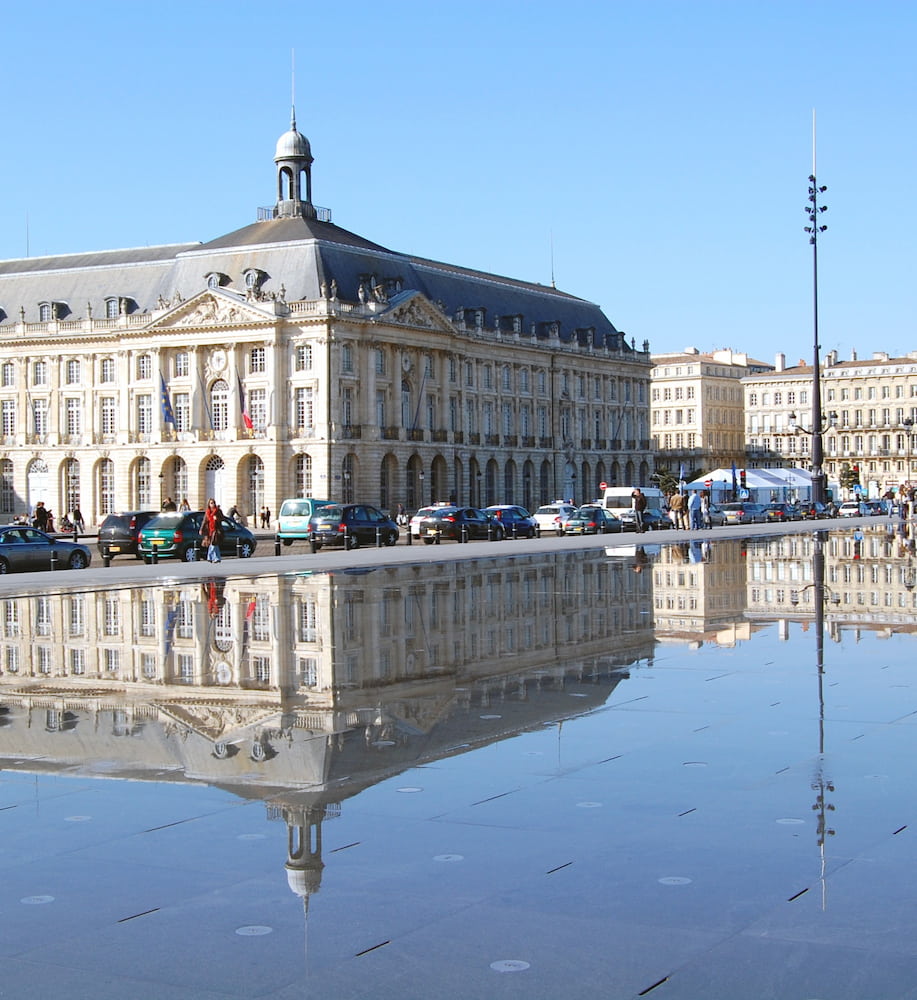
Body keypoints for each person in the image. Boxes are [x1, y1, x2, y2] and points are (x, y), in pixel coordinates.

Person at [200, 498, 224, 563]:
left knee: (213, 543)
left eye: (213, 503)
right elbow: (204, 521)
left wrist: (217, 518)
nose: (212, 504)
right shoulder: (207, 512)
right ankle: (217, 558)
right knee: (214, 544)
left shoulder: (218, 511)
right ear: (209, 504)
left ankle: (210, 557)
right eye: (211, 503)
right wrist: (201, 529)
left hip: (216, 529)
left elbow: (223, 518)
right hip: (209, 530)